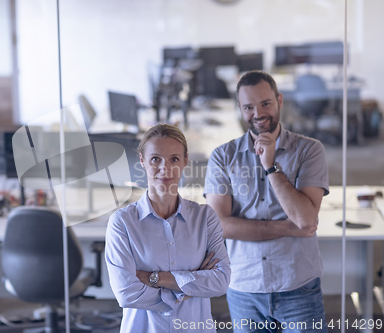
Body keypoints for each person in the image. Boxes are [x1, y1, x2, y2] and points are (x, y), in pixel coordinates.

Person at [205, 71, 329, 332]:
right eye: (248, 107)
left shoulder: (310, 150)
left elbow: (306, 220)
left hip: (298, 285)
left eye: (265, 103)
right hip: (244, 288)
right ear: (240, 109)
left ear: (280, 101)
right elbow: (219, 226)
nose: (258, 113)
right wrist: (286, 228)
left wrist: (270, 166)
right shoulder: (222, 156)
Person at [105, 124, 231, 333]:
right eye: (156, 159)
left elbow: (220, 282)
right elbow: (126, 293)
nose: (165, 168)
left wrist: (154, 278)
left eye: (174, 159)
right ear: (142, 161)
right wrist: (190, 284)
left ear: (185, 162)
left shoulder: (204, 217)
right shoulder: (123, 222)